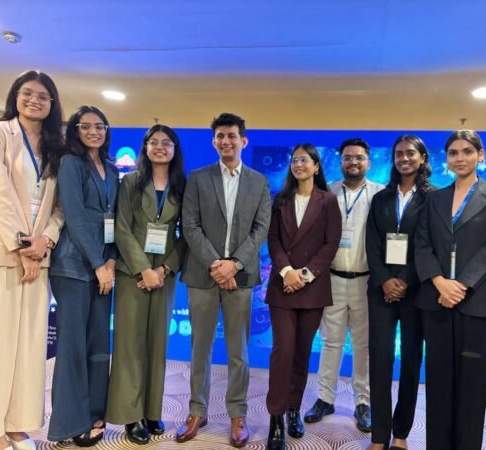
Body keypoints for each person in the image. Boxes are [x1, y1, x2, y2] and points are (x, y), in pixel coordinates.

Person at [178, 112, 271, 448]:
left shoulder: (259, 182)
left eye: (232, 135)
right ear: (214, 141)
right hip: (203, 274)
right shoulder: (198, 178)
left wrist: (234, 265)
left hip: (240, 277)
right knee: (199, 348)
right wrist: (217, 265)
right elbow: (190, 226)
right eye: (220, 136)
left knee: (238, 352)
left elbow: (261, 229)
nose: (226, 141)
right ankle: (196, 411)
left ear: (243, 141)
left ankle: (237, 414)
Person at [414, 129, 486, 450]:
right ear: (446, 158)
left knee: (472, 387)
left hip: (476, 302)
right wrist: (440, 282)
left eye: (467, 151)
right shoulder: (434, 198)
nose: (460, 158)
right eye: (453, 153)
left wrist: (462, 284)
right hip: (437, 300)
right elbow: (422, 244)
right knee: (438, 382)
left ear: (479, 155)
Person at [0, 70, 64, 450]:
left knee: (29, 348)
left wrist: (44, 240)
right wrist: (22, 247)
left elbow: (60, 207)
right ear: (15, 96)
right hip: (2, 255)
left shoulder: (56, 148)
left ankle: (17, 424)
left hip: (39, 257)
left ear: (52, 104)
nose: (35, 100)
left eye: (43, 96)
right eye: (27, 93)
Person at [106, 125, 186, 444]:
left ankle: (152, 410)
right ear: (146, 147)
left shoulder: (183, 185)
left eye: (167, 143)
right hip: (132, 274)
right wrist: (143, 269)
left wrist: (164, 269)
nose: (160, 147)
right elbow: (122, 229)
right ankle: (131, 415)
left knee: (157, 344)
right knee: (129, 345)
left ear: (175, 149)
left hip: (165, 274)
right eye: (154, 142)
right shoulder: (130, 182)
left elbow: (187, 234)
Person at [47, 105, 119, 446]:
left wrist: (112, 261)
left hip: (104, 268)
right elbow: (74, 216)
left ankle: (94, 413)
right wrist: (97, 263)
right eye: (85, 125)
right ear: (75, 129)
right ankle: (69, 424)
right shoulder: (70, 164)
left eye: (99, 126)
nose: (93, 131)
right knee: (73, 347)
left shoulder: (112, 169)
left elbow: (115, 219)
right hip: (74, 267)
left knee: (98, 346)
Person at [265, 143, 342, 450]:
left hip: (312, 287)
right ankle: (276, 418)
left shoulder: (328, 201)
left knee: (301, 353)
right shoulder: (280, 199)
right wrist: (287, 272)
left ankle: (294, 409)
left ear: (316, 166)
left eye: (305, 160)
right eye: (295, 160)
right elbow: (273, 239)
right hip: (282, 287)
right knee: (282, 352)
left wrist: (305, 275)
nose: (298, 164)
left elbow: (331, 243)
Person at [304, 138, 382, 432]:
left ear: (368, 162)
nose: (353, 162)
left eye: (359, 157)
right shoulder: (327, 192)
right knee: (331, 342)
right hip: (332, 279)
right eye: (348, 157)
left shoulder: (380, 194)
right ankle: (325, 398)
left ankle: (364, 402)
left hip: (366, 281)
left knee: (364, 345)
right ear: (340, 162)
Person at [365, 135, 433, 450]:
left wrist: (405, 280)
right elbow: (372, 242)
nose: (404, 158)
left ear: (422, 157)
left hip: (416, 290)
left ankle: (400, 434)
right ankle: (379, 436)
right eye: (399, 153)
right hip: (381, 290)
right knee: (379, 360)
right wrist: (384, 280)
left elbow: (429, 244)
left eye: (410, 153)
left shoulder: (434, 197)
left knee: (410, 360)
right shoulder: (381, 197)